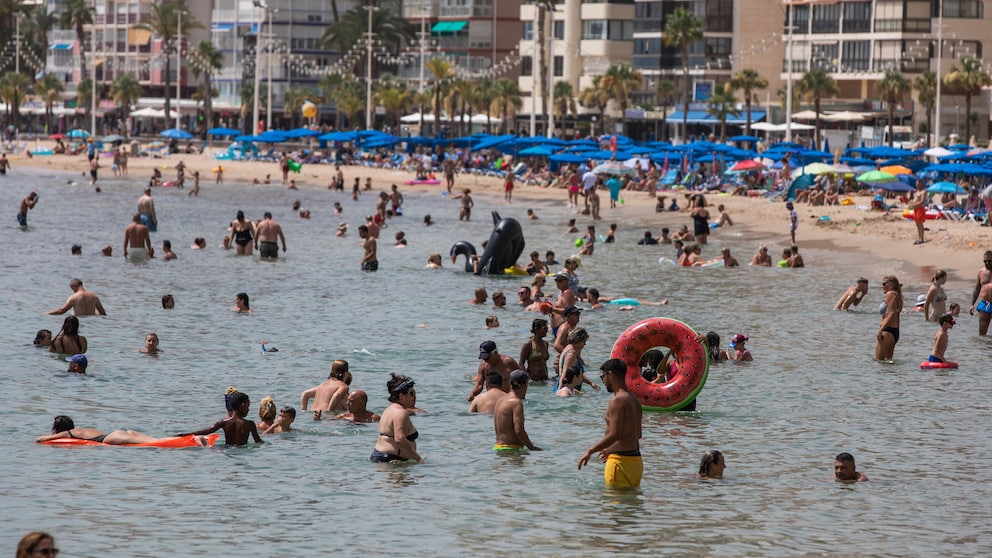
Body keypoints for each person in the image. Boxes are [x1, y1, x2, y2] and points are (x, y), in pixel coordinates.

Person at [578, 358, 643, 489]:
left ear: (611, 375)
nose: (603, 381)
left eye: (603, 376)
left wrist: (590, 451)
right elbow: (638, 434)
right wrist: (609, 449)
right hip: (636, 463)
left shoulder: (617, 400)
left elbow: (615, 434)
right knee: (630, 506)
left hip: (619, 464)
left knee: (613, 507)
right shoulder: (634, 400)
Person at [371, 373, 425, 463]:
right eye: (411, 393)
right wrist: (418, 459)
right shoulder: (400, 413)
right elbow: (400, 440)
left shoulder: (388, 410)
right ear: (401, 396)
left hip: (380, 456)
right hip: (391, 459)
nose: (414, 397)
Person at [178, 391, 263, 446]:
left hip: (226, 450)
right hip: (243, 450)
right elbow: (258, 442)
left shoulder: (224, 423)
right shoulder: (250, 424)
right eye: (248, 407)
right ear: (242, 406)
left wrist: (184, 434)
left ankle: (204, 443)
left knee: (204, 441)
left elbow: (206, 431)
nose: (248, 409)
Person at [493, 370, 541, 452]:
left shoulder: (501, 400)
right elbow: (519, 430)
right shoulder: (516, 402)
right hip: (511, 449)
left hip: (498, 447)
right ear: (525, 384)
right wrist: (532, 448)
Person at [36, 415, 167, 445]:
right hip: (115, 434)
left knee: (155, 443)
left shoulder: (68, 433)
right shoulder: (83, 429)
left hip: (110, 439)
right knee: (155, 441)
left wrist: (53, 435)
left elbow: (40, 440)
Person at [556, 327, 599, 392]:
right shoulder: (571, 354)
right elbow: (564, 372)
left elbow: (577, 374)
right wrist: (560, 390)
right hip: (566, 390)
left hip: (569, 389)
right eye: (583, 342)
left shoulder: (567, 348)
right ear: (577, 340)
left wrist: (591, 383)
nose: (584, 344)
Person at [876, 275, 904, 361]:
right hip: (894, 331)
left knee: (879, 361)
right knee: (888, 363)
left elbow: (891, 314)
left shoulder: (891, 294)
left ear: (891, 285)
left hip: (887, 331)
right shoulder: (897, 295)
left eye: (884, 284)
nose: (882, 286)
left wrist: (881, 330)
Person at [970, 250, 992, 335]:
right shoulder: (981, 272)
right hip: (984, 304)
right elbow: (977, 288)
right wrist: (972, 304)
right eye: (985, 261)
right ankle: (983, 348)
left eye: (989, 261)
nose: (987, 263)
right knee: (982, 332)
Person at [908, 180, 928, 245]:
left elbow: (922, 201)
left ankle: (922, 239)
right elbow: (913, 200)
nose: (917, 185)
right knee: (917, 224)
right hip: (915, 209)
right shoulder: (916, 192)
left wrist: (914, 205)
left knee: (920, 224)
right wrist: (911, 203)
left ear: (921, 184)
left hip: (920, 209)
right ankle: (919, 238)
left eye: (919, 184)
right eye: (917, 184)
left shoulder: (923, 192)